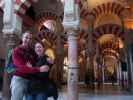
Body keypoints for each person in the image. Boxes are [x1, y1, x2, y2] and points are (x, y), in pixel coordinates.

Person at [11, 31, 49, 100]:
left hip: (30, 82)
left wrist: (48, 58)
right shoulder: (16, 51)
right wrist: (38, 69)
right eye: (26, 37)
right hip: (20, 80)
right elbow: (21, 67)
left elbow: (39, 56)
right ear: (22, 38)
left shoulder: (32, 51)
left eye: (30, 38)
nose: (28, 40)